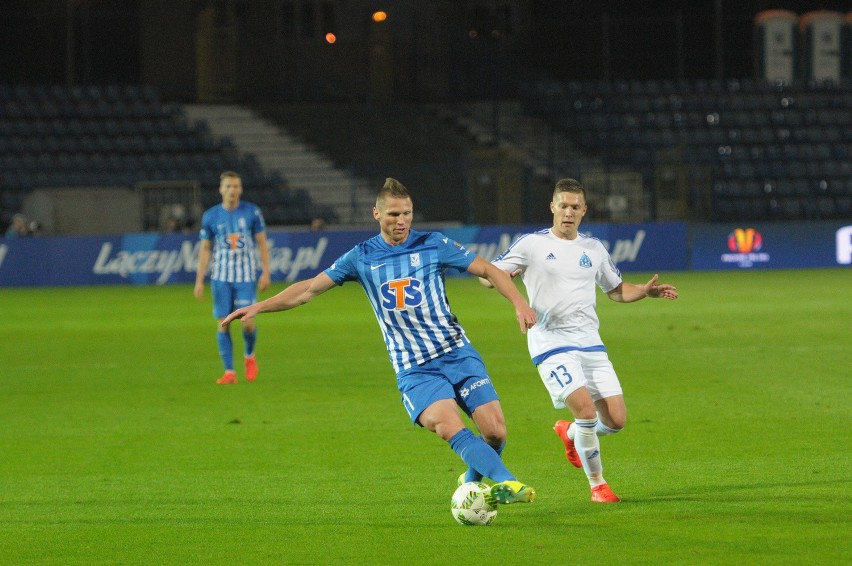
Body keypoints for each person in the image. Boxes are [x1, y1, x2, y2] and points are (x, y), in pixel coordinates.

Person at [221, 178, 538, 506]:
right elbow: (308, 290)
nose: (401, 221)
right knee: (447, 424)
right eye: (393, 215)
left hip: (457, 352)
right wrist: (259, 306)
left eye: (407, 214)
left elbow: (489, 269)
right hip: (415, 368)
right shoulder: (361, 257)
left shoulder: (434, 243)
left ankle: (470, 482)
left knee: (496, 431)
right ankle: (508, 482)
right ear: (376, 214)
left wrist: (519, 302)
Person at [481, 178, 678, 503]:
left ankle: (570, 432)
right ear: (553, 207)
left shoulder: (594, 249)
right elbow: (487, 274)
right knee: (586, 412)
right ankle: (598, 485)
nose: (569, 212)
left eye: (575, 207)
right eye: (563, 205)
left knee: (615, 421)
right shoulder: (531, 244)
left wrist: (644, 291)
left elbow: (616, 291)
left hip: (590, 344)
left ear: (584, 210)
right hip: (550, 343)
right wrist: (513, 292)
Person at [194, 171, 271, 384]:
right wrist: (199, 280)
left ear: (241, 189)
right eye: (228, 186)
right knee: (223, 323)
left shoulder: (252, 212)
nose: (232, 190)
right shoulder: (210, 216)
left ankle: (249, 355)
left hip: (246, 277)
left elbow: (262, 243)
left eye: (236, 186)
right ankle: (229, 372)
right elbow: (205, 249)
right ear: (221, 189)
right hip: (220, 277)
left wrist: (265, 271)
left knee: (247, 322)